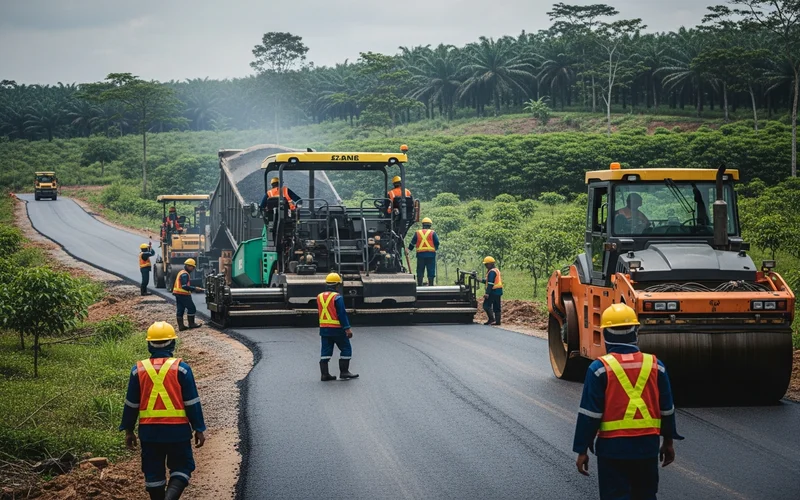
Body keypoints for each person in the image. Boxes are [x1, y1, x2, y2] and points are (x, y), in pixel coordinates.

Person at [572, 303, 683, 500]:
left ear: (606, 334)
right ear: (636, 331)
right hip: (647, 447)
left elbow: (589, 414)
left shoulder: (599, 369)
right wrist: (668, 441)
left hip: (612, 450)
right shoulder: (656, 365)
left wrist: (582, 449)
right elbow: (667, 409)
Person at [121, 321, 206, 500]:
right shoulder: (182, 369)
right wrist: (199, 428)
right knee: (182, 467)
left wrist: (128, 430)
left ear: (148, 344)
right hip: (178, 432)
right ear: (173, 344)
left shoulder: (138, 370)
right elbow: (191, 402)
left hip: (149, 432)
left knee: (153, 474)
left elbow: (131, 404)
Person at [317, 273, 358, 381]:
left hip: (324, 329)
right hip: (337, 329)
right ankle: (344, 372)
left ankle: (324, 374)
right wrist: (347, 328)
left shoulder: (319, 296)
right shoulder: (337, 297)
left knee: (325, 351)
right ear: (338, 285)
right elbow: (341, 314)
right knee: (346, 348)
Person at [172, 258, 204, 331]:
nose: (192, 268)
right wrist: (194, 288)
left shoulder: (182, 272)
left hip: (178, 294)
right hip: (183, 294)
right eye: (192, 267)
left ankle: (181, 326)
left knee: (180, 309)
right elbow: (184, 286)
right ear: (188, 266)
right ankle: (191, 324)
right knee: (192, 308)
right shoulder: (184, 274)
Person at [407, 217, 439, 286]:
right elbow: (437, 243)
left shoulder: (418, 233)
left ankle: (420, 284)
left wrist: (408, 250)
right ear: (430, 225)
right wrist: (434, 249)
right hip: (431, 255)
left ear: (423, 225)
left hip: (420, 255)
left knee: (420, 270)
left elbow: (412, 243)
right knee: (431, 269)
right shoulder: (433, 233)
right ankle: (431, 284)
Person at [481, 256, 503, 325]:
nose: (486, 266)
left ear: (490, 264)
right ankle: (497, 321)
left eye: (486, 264)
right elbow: (488, 281)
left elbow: (490, 283)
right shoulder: (496, 270)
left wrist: (487, 293)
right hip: (498, 291)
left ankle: (491, 319)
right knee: (497, 306)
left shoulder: (491, 272)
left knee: (486, 305)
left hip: (493, 291)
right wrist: (479, 279)